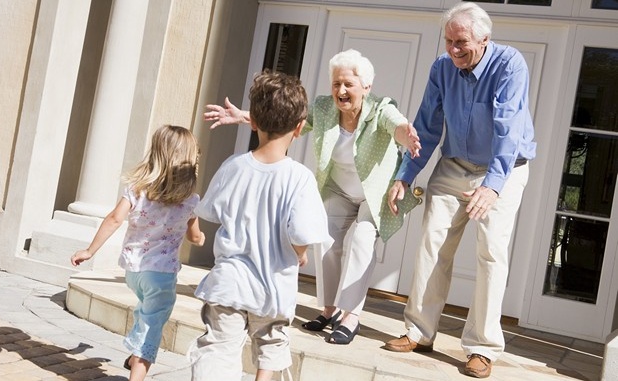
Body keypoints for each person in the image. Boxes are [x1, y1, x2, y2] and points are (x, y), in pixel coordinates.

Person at [203, 49, 421, 345]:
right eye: (336, 84)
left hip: (373, 193)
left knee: (361, 241)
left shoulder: (381, 109)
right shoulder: (323, 108)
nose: (340, 91)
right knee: (327, 240)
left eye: (348, 85)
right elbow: (288, 120)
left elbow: (395, 125)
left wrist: (405, 135)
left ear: (366, 88)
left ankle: (351, 315)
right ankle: (329, 309)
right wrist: (245, 116)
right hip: (339, 188)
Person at [383, 3, 536, 379]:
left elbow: (507, 129)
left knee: (491, 253)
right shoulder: (441, 68)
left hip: (505, 167)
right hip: (454, 165)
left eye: (461, 42)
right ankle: (419, 331)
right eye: (449, 40)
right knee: (432, 244)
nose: (453, 49)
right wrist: (406, 174)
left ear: (484, 39)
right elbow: (427, 125)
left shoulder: (509, 65)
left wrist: (493, 186)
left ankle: (482, 347)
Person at [187, 71, 333, 381]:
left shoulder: (233, 167)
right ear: (299, 127)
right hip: (273, 288)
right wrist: (300, 253)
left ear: (253, 121)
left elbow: (211, 210)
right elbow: (302, 234)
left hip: (229, 283)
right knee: (271, 348)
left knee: (217, 349)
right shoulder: (300, 178)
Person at [70, 125, 205, 381]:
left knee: (145, 311)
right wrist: (201, 239)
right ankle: (137, 372)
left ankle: (133, 357)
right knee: (153, 326)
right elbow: (195, 236)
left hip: (133, 271)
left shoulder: (137, 189)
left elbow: (113, 219)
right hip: (162, 276)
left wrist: (90, 250)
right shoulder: (190, 199)